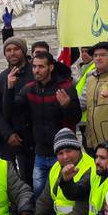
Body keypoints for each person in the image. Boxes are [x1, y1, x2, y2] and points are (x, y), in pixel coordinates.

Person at [5, 51, 81, 197]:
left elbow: (75, 118)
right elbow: (11, 111)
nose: (36, 70)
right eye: (34, 67)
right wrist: (9, 89)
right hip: (40, 153)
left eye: (41, 67)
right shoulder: (29, 88)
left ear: (50, 67)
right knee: (40, 194)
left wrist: (67, 106)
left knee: (62, 193)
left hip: (61, 154)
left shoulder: (65, 88)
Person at [24, 128, 95, 215]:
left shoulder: (90, 168)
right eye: (60, 153)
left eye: (69, 151)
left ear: (78, 149)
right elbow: (45, 201)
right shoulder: (56, 167)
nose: (65, 157)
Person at [0, 36, 36, 183]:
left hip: (40, 138)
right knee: (25, 180)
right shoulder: (2, 78)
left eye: (16, 49)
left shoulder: (35, 72)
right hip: (19, 140)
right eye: (8, 50)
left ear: (23, 51)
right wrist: (8, 134)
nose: (12, 53)